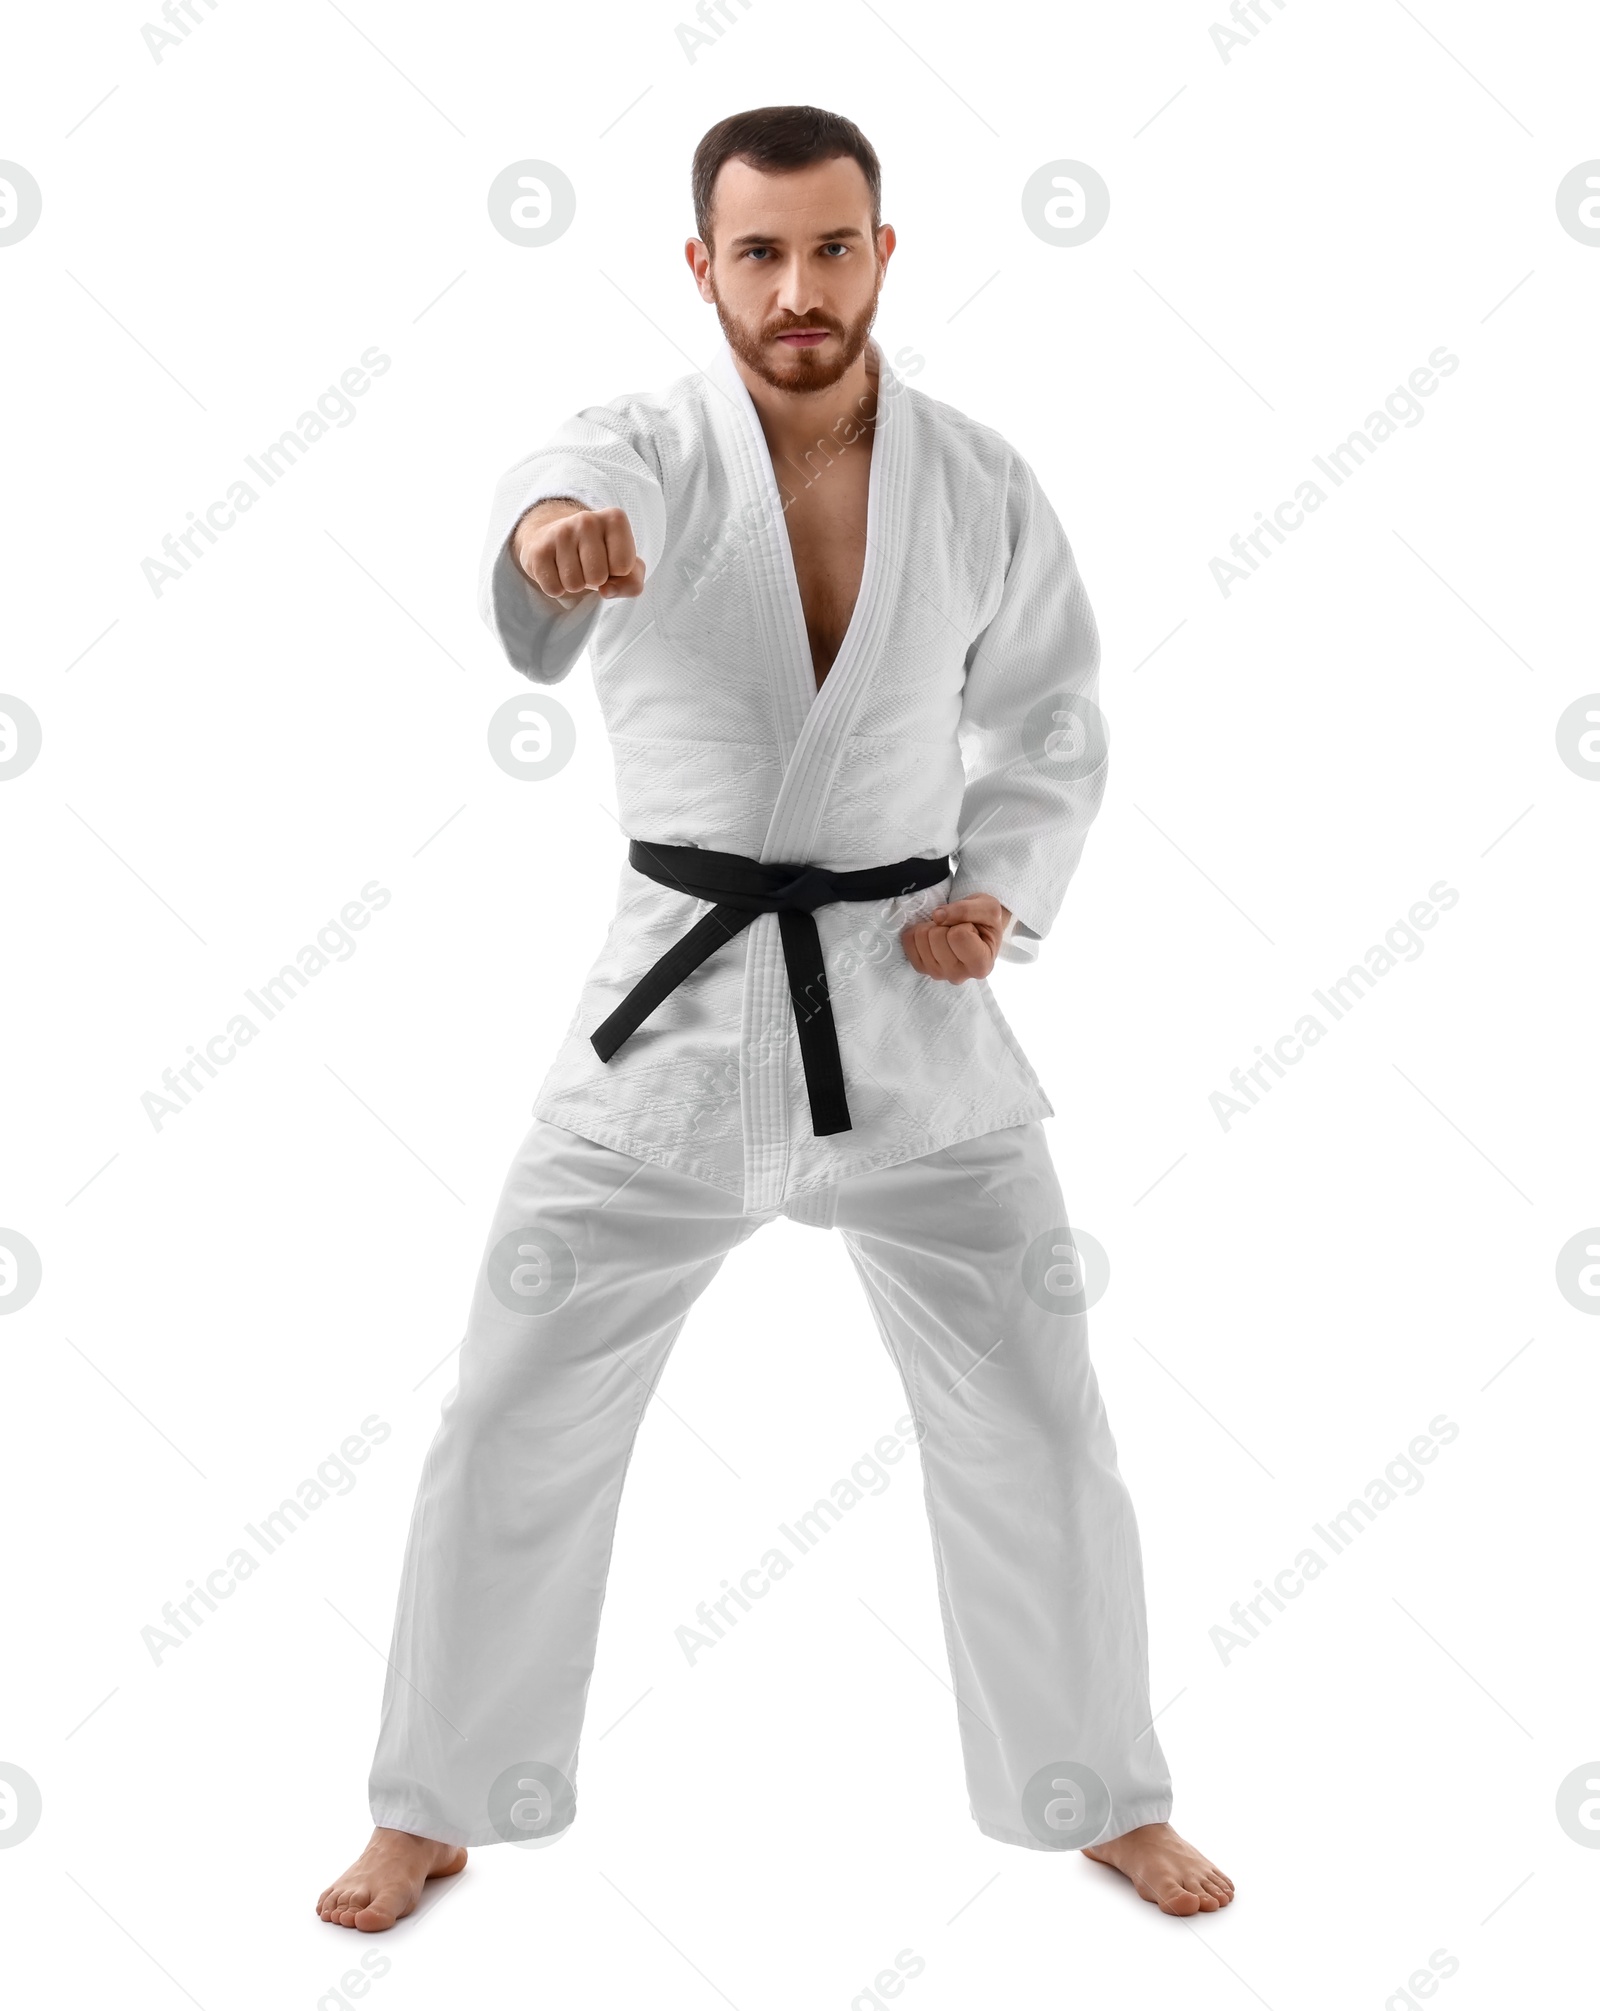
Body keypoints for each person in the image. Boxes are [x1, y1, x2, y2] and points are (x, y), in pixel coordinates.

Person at [317, 103, 1233, 1932]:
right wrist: (555, 536)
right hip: (670, 1016)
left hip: (913, 1004)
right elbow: (564, 492)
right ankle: (435, 1800)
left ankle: (1098, 1787)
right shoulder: (642, 452)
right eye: (761, 252)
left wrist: (997, 893)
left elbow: (1047, 721)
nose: (799, 288)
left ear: (884, 250)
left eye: (834, 247)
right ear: (703, 263)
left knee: (1040, 1416)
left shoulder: (978, 480)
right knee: (512, 1407)